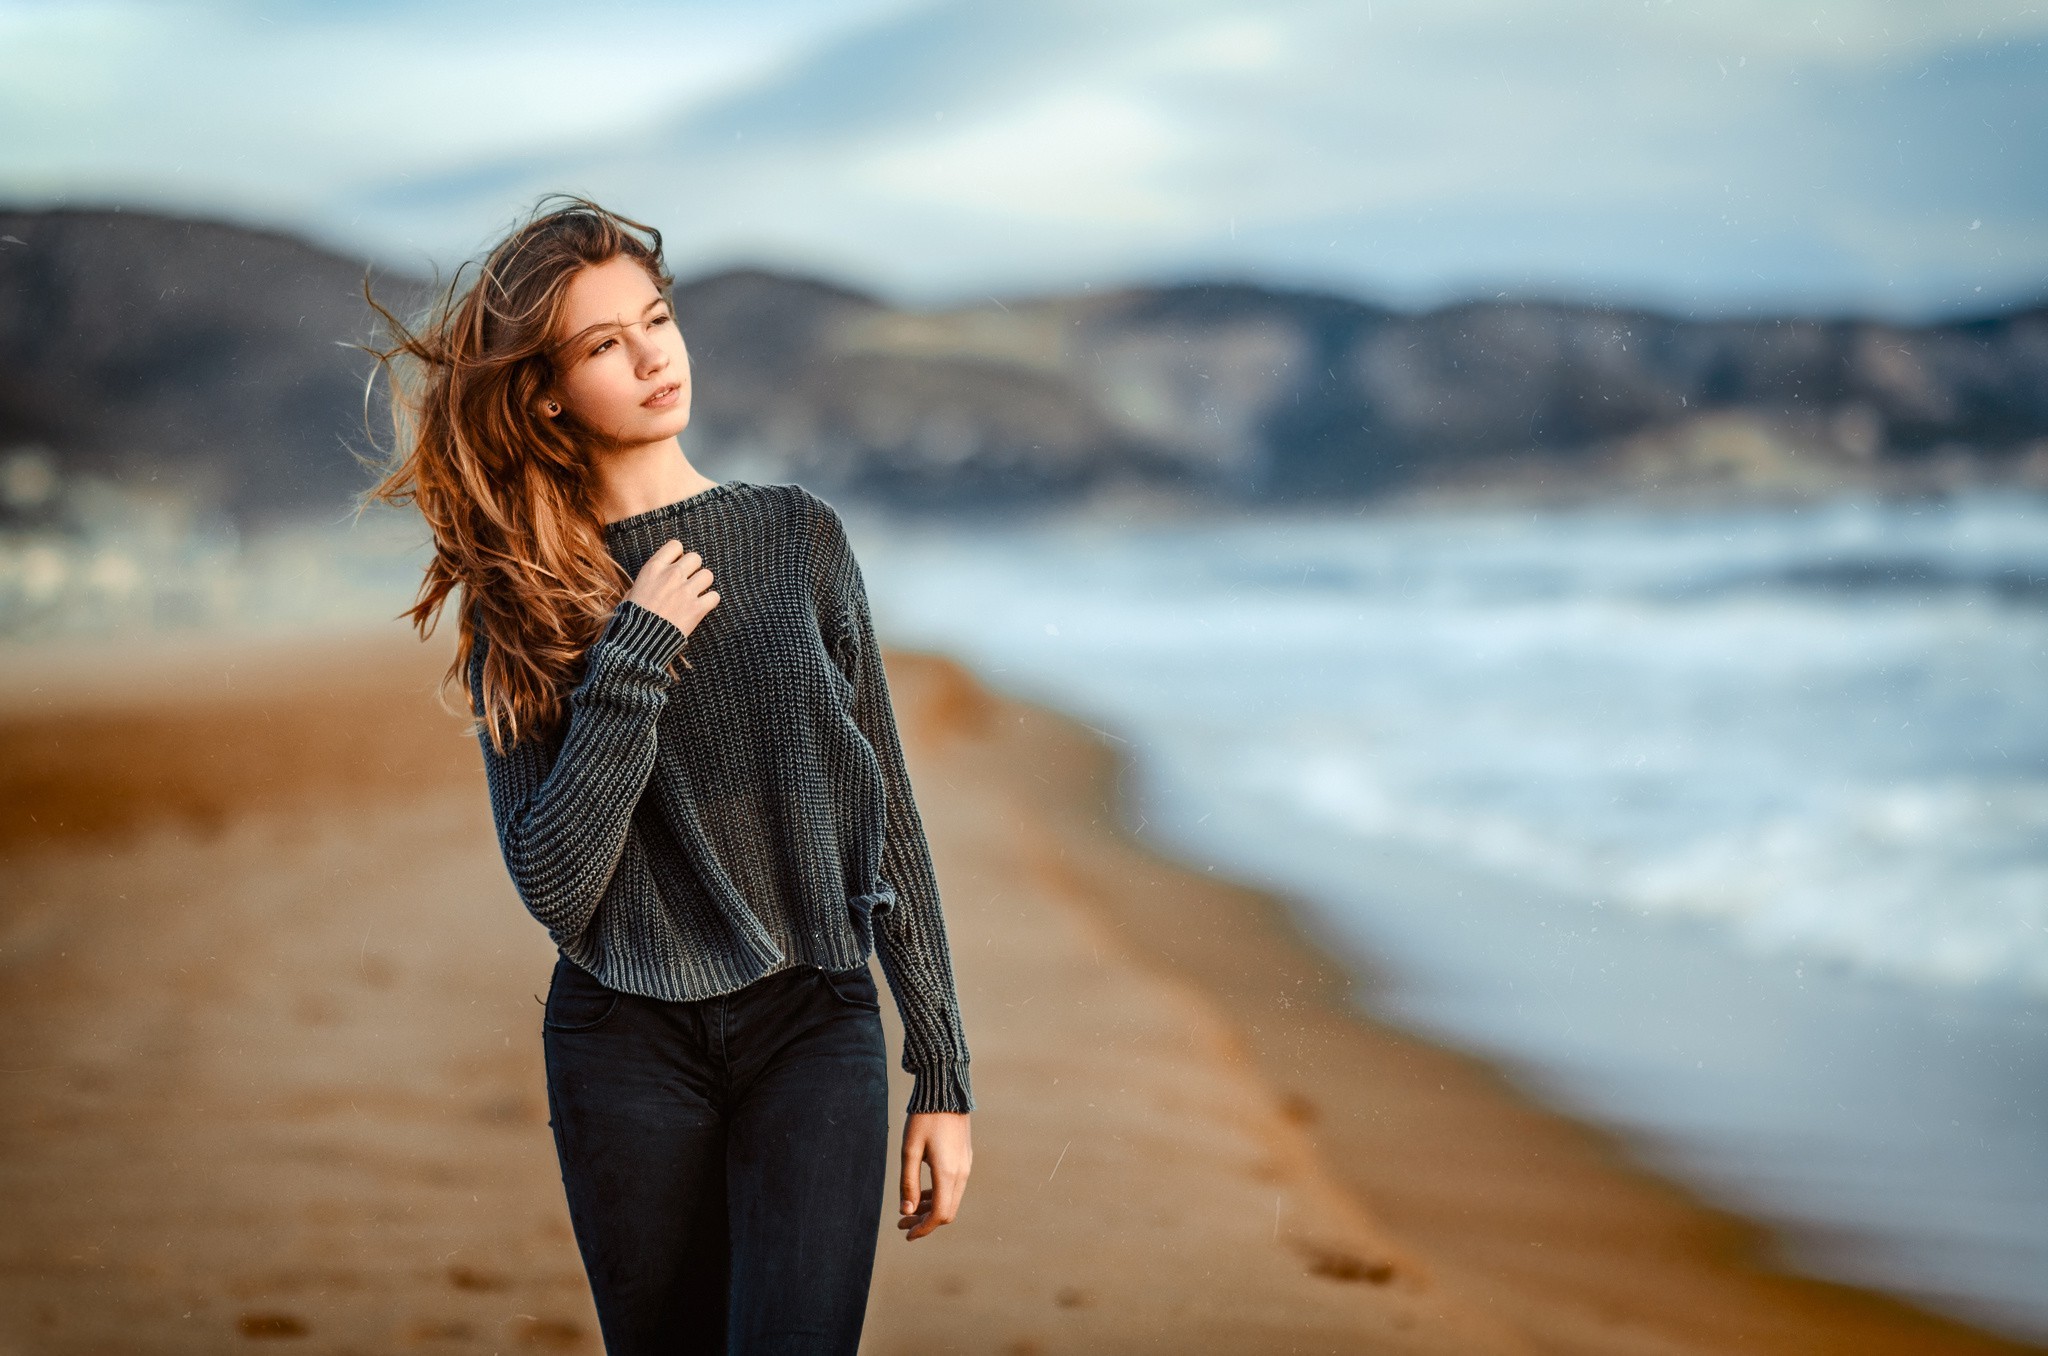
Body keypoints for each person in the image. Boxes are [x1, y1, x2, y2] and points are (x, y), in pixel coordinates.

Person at [358, 195, 973, 1355]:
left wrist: (941, 1071)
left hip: (813, 1019)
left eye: (655, 320)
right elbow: (554, 882)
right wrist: (630, 657)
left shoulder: (797, 537)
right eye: (604, 345)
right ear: (544, 390)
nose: (651, 357)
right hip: (623, 1041)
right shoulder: (526, 598)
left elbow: (882, 816)